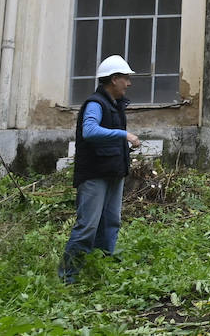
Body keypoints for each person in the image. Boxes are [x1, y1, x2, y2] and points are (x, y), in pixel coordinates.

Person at [59, 55, 141, 283]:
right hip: (95, 175)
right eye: (126, 78)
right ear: (114, 79)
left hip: (114, 172)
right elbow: (90, 131)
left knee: (110, 223)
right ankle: (68, 278)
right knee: (88, 226)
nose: (129, 83)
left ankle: (99, 270)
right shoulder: (96, 104)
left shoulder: (114, 104)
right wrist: (124, 135)